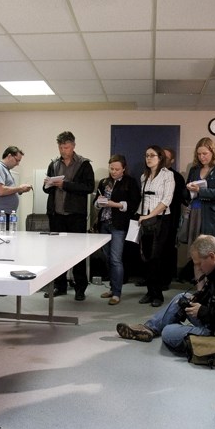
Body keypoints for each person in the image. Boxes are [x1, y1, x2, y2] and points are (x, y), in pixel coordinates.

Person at [116, 235, 215, 353]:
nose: (198, 268)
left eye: (199, 264)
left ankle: (190, 336)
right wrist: (198, 300)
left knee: (169, 332)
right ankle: (149, 328)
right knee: (182, 298)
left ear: (211, 256)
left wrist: (202, 311)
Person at [42, 131, 95, 301]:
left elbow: (88, 188)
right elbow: (46, 189)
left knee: (77, 252)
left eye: (66, 147)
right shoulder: (54, 164)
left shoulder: (84, 164)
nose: (63, 150)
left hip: (75, 215)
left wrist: (65, 184)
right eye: (60, 147)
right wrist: (48, 184)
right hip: (56, 214)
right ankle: (60, 286)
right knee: (57, 253)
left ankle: (80, 289)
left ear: (73, 146)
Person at [93, 154, 140, 306]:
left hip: (119, 224)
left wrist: (116, 204)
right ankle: (113, 289)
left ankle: (117, 292)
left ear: (124, 169)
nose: (114, 171)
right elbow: (95, 203)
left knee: (115, 259)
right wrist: (99, 203)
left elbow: (134, 205)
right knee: (107, 257)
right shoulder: (104, 182)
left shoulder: (130, 182)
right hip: (104, 223)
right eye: (111, 168)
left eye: (117, 169)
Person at [135, 145, 175, 307]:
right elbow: (142, 199)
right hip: (144, 219)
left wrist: (149, 215)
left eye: (152, 155)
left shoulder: (168, 175)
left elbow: (166, 200)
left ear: (160, 158)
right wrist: (140, 217)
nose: (149, 158)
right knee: (146, 257)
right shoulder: (144, 176)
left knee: (156, 257)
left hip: (160, 219)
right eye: (146, 155)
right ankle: (150, 291)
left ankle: (157, 294)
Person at [184, 137, 215, 249]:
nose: (201, 157)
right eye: (199, 154)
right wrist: (187, 189)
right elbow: (186, 193)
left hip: (212, 215)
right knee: (195, 248)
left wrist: (200, 190)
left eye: (205, 153)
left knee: (212, 249)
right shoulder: (194, 169)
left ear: (213, 152)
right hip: (195, 210)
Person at [0, 146, 32, 225]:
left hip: (6, 213)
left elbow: (7, 189)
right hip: (0, 213)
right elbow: (1, 191)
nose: (18, 164)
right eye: (17, 160)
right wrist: (19, 188)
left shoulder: (6, 169)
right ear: (9, 156)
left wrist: (21, 190)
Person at [162, 147, 186, 288]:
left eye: (166, 157)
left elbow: (182, 199)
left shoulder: (177, 177)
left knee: (169, 249)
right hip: (155, 219)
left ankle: (166, 279)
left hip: (171, 218)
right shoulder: (152, 175)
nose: (162, 160)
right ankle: (150, 278)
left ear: (172, 160)